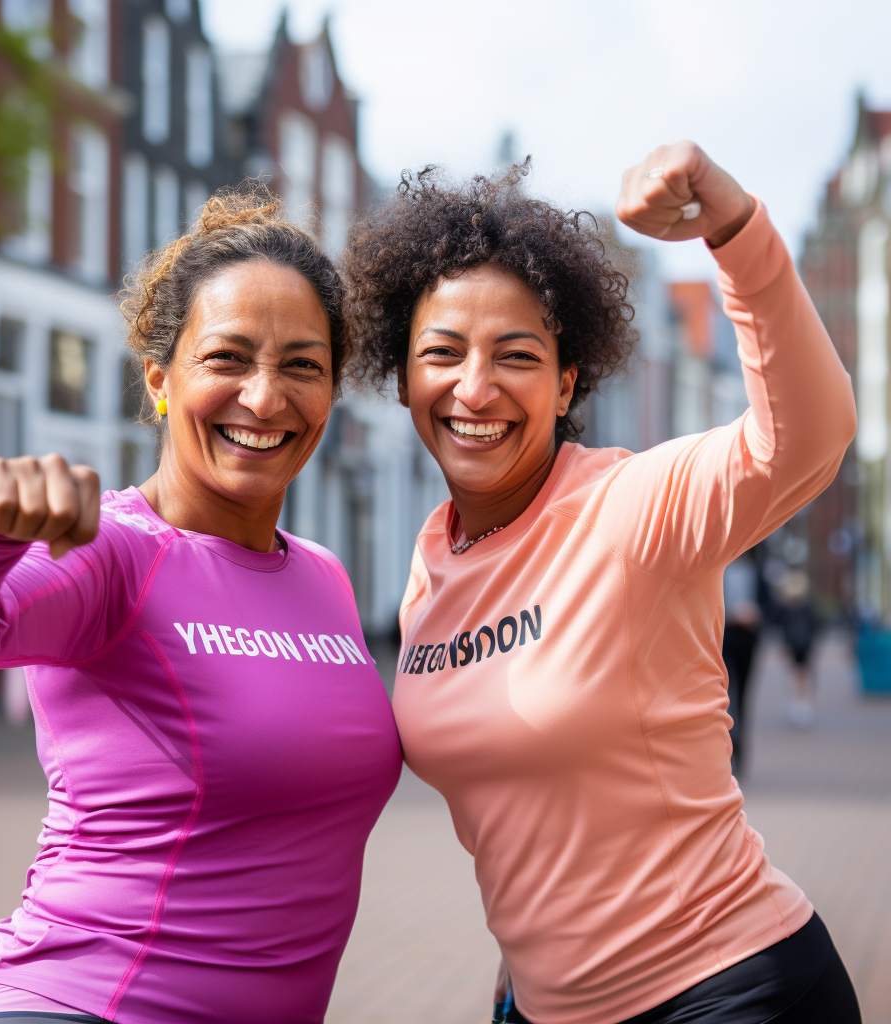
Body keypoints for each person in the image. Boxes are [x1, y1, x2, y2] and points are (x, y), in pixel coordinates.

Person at [344, 143, 861, 1023]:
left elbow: (806, 436)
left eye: (515, 355)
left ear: (564, 382)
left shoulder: (628, 505)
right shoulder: (433, 567)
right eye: (442, 352)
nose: (475, 387)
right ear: (401, 378)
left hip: (726, 988)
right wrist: (529, 952)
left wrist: (735, 231)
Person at [0, 192, 402, 1024]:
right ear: (160, 377)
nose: (265, 399)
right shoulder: (111, 552)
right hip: (79, 1003)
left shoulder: (327, 578)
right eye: (227, 358)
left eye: (302, 365)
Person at [722, 549, 762, 771]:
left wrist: (757, 613)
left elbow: (768, 604)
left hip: (748, 641)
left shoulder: (755, 572)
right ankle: (726, 749)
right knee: (726, 696)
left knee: (744, 697)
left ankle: (741, 753)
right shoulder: (719, 570)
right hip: (724, 639)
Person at [775, 568, 818, 727]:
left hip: (793, 644)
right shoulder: (807, 606)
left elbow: (779, 625)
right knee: (803, 675)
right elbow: (816, 626)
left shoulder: (786, 608)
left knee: (795, 675)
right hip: (804, 644)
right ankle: (803, 705)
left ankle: (798, 705)